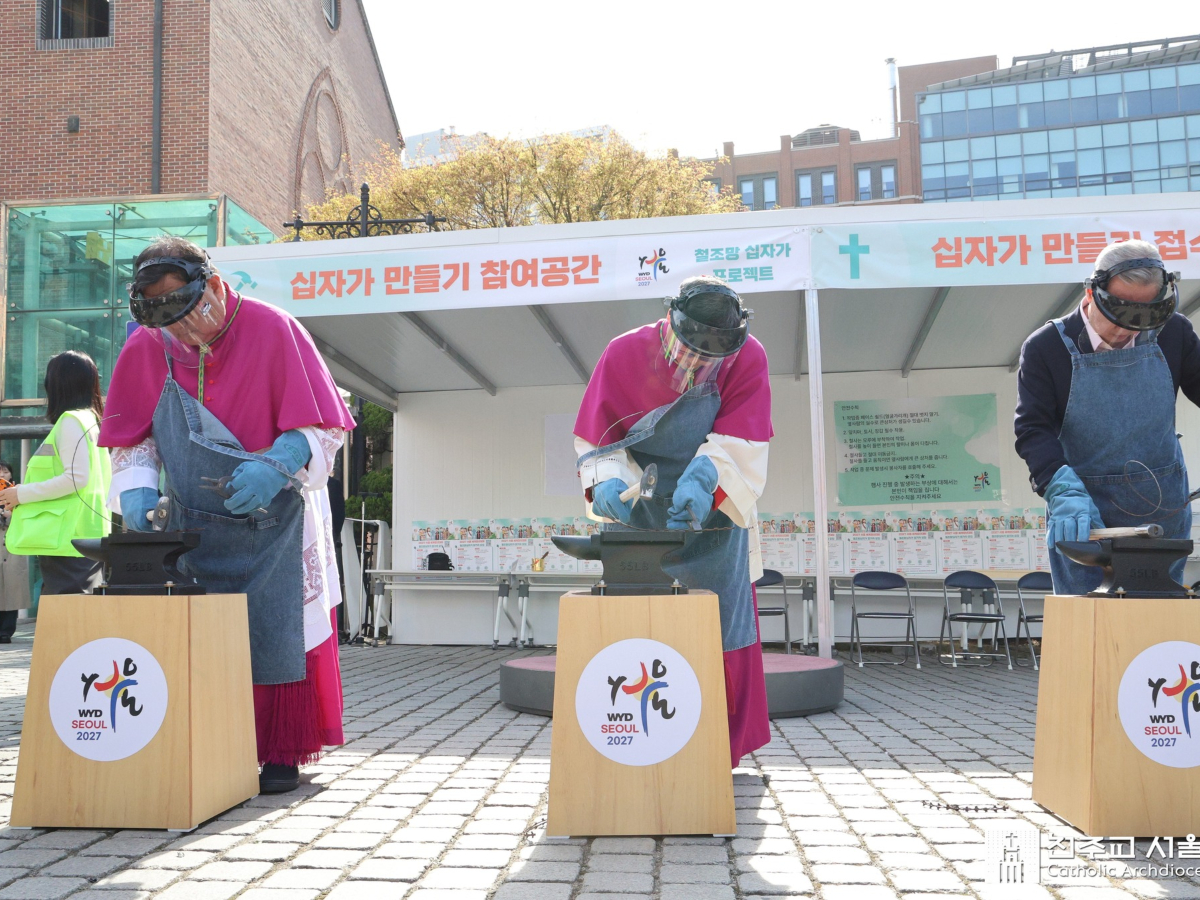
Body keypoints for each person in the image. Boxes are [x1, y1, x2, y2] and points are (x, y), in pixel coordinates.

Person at [98, 237, 355, 794]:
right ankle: (206, 746)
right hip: (188, 520)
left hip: (275, 516)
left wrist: (281, 461)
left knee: (276, 631)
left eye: (190, 314)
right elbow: (134, 438)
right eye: (169, 325)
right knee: (196, 640)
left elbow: (324, 425)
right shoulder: (147, 345)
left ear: (214, 285)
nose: (184, 333)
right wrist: (136, 489)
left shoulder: (274, 328)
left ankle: (279, 751)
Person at [574, 275, 772, 768]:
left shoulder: (748, 356)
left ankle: (714, 755)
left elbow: (743, 440)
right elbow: (598, 439)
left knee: (721, 626)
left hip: (713, 511)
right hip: (637, 505)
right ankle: (634, 750)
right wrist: (607, 482)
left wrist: (704, 479)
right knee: (635, 626)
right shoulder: (623, 352)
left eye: (711, 358)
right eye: (692, 351)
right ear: (670, 321)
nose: (700, 364)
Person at [1016, 239, 1200, 594]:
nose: (1126, 331)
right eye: (1118, 316)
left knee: (1158, 621)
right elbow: (1032, 429)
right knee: (1089, 620)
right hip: (1085, 517)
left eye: (1141, 319)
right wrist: (1062, 491)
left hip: (1162, 512)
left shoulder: (1174, 332)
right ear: (1091, 293)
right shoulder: (1045, 348)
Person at [0, 352, 111, 595]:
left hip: (67, 538)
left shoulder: (71, 421)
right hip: (82, 535)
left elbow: (76, 479)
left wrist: (21, 494)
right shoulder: (89, 420)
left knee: (67, 613)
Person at [0, 462, 30, 643]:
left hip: (13, 548)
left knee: (12, 591)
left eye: (5, 471)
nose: (2, 474)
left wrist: (11, 516)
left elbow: (28, 518)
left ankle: (6, 632)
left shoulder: (20, 493)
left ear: (11, 474)